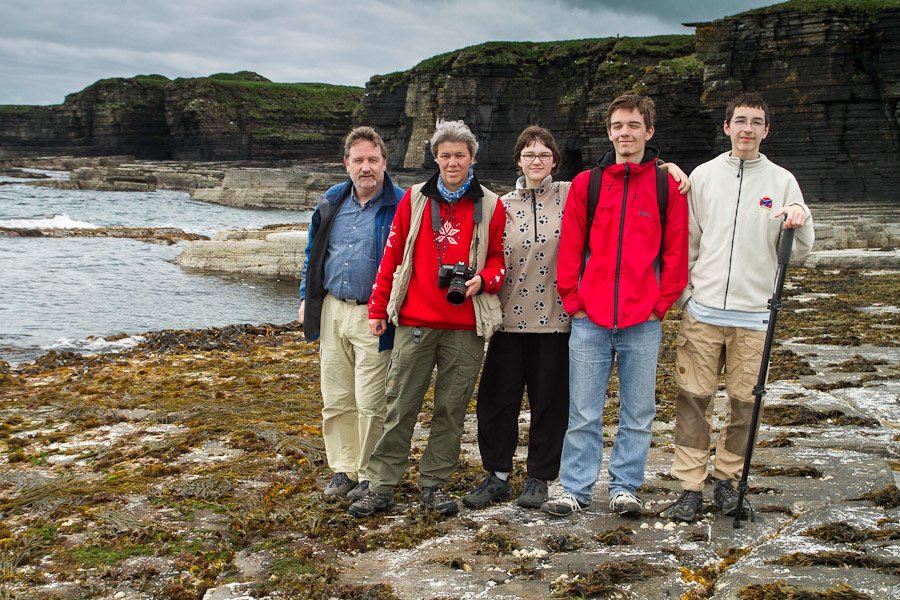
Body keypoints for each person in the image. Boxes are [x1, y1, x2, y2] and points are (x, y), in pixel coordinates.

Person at [463, 126, 693, 510]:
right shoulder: (498, 205)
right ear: (517, 159)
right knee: (496, 402)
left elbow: (627, 178)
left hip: (557, 321)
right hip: (506, 321)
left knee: (551, 405)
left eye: (543, 155)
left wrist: (670, 168)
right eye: (528, 154)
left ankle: (539, 478)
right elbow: (486, 256)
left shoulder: (574, 192)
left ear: (555, 160)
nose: (536, 161)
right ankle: (497, 475)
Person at [662, 92, 814, 523]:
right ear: (727, 127)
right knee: (694, 400)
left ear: (766, 130)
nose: (747, 129)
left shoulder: (782, 181)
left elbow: (798, 251)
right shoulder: (705, 176)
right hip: (704, 313)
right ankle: (690, 486)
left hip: (755, 315)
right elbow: (686, 241)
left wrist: (800, 217)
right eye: (740, 121)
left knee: (745, 404)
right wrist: (688, 296)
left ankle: (729, 482)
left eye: (756, 122)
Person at [348, 120, 506, 518]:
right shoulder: (415, 199)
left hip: (466, 327)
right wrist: (377, 308)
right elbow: (393, 255)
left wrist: (483, 280)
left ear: (472, 158)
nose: (453, 163)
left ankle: (433, 486)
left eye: (460, 155)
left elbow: (499, 260)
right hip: (415, 322)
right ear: (435, 158)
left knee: (451, 411)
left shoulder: (490, 204)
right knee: (399, 406)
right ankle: (381, 486)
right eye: (445, 155)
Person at [542, 94, 688, 517]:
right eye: (618, 126)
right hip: (590, 318)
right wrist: (574, 300)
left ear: (649, 132)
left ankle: (625, 486)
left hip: (643, 319)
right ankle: (575, 490)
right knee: (584, 411)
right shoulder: (588, 183)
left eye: (633, 126)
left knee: (639, 411)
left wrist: (660, 305)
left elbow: (676, 250)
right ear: (609, 132)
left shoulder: (666, 186)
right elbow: (569, 246)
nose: (625, 133)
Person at [298, 126, 405, 501]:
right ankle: (342, 470)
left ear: (385, 163)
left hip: (374, 315)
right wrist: (304, 298)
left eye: (372, 160)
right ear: (346, 164)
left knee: (371, 401)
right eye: (358, 160)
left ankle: (368, 474)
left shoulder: (401, 204)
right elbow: (313, 253)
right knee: (337, 396)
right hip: (332, 309)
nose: (365, 168)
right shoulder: (331, 201)